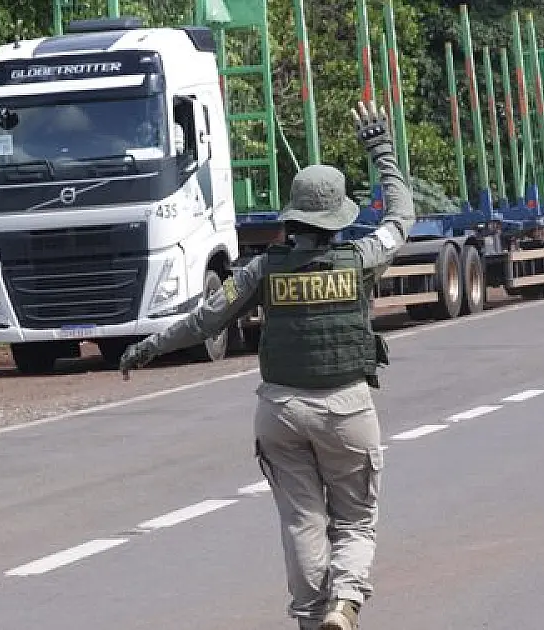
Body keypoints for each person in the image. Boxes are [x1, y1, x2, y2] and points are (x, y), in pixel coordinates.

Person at [119, 99, 414, 630]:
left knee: (302, 521)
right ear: (337, 217)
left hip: (280, 413)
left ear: (295, 217)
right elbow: (401, 218)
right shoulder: (363, 259)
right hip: (347, 409)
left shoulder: (262, 271)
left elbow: (204, 321)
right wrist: (382, 152)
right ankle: (344, 604)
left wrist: (148, 346)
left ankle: (308, 618)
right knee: (355, 520)